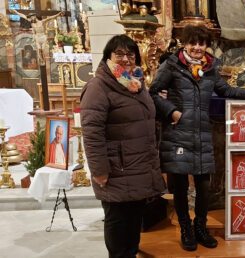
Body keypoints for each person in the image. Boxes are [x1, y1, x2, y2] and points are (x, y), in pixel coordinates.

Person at [149, 25, 245, 251]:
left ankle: (200, 227)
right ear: (185, 44)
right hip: (177, 133)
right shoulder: (172, 65)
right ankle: (186, 228)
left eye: (202, 43)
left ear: (207, 46)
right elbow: (153, 92)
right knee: (179, 185)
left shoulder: (211, 68)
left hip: (201, 134)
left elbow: (226, 90)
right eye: (193, 43)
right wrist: (171, 111)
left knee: (204, 187)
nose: (197, 47)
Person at [80, 35, 165, 257]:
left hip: (137, 168)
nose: (126, 59)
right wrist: (99, 171)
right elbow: (91, 133)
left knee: (133, 225)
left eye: (130, 54)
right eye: (119, 54)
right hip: (116, 171)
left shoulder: (135, 82)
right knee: (118, 225)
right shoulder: (99, 86)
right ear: (108, 56)